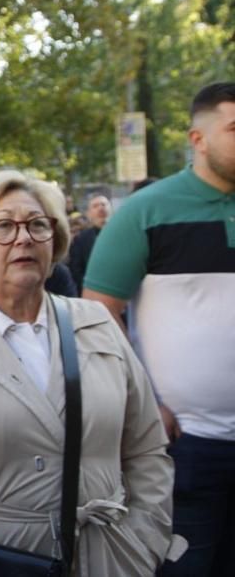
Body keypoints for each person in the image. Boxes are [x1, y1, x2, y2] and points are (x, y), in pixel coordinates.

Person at [0, 169, 180, 575]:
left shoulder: (96, 323)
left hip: (109, 560)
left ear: (55, 242)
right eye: (4, 226)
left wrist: (142, 542)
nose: (24, 238)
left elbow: (146, 448)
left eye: (38, 225)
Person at [83, 82, 235, 576]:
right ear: (199, 138)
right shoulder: (144, 214)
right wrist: (146, 400)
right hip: (188, 444)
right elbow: (99, 314)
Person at [67, 194, 111, 291]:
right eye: (95, 206)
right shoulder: (81, 239)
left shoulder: (124, 233)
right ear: (88, 213)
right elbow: (76, 270)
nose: (101, 208)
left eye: (104, 204)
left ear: (110, 208)